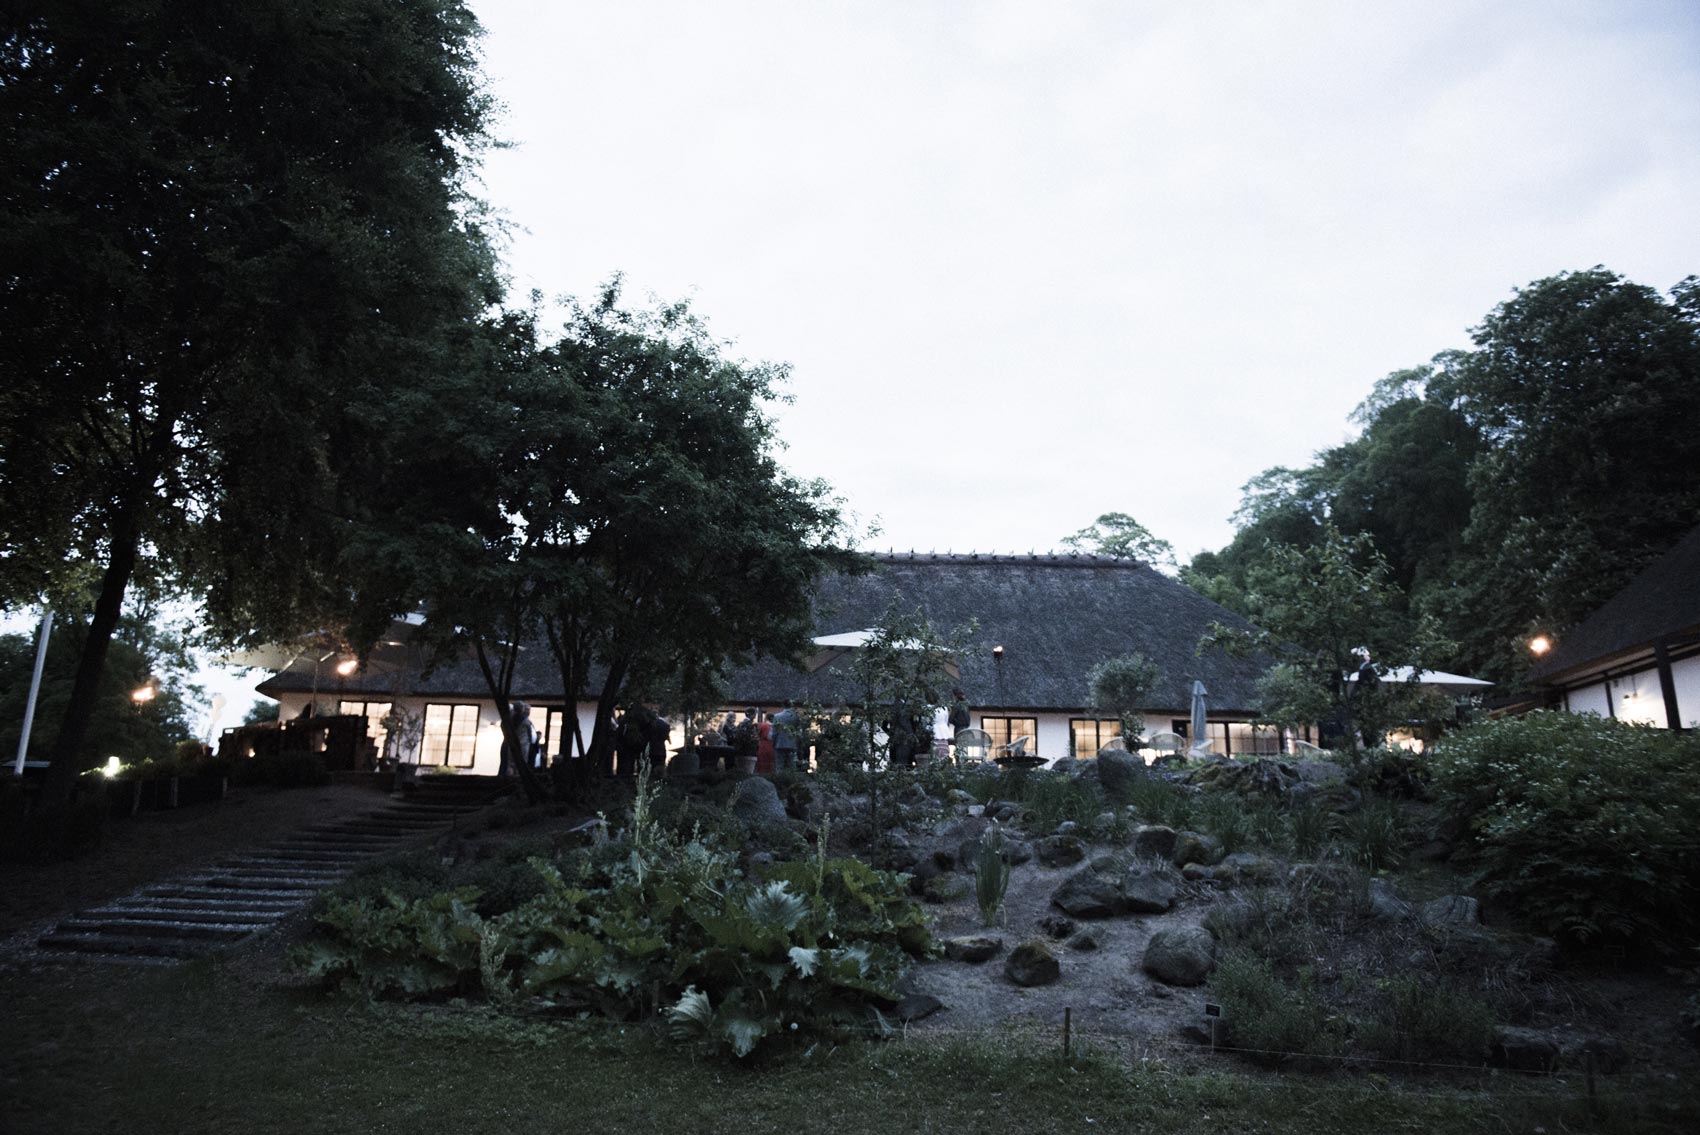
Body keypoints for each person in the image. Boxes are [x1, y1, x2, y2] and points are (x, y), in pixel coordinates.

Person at [500, 700, 537, 779]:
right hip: (523, 745)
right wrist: (531, 742)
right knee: (521, 764)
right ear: (522, 709)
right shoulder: (526, 721)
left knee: (510, 763)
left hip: (511, 744)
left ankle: (509, 780)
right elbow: (532, 735)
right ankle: (519, 780)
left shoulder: (510, 720)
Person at [772, 705, 801, 771]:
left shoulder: (777, 716)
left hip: (780, 743)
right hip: (792, 744)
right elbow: (799, 731)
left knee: (779, 766)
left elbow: (774, 732)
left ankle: (779, 780)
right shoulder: (795, 717)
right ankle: (792, 779)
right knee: (792, 765)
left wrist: (774, 743)